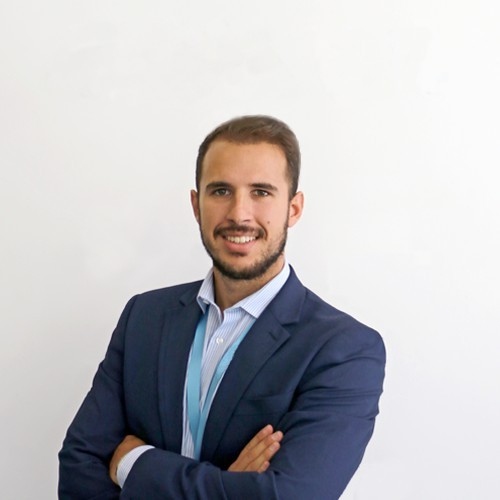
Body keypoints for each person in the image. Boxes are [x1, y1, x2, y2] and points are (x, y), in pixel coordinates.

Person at [58, 115, 386, 499]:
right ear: (196, 205)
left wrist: (133, 462)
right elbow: (78, 467)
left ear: (293, 209)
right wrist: (229, 485)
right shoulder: (143, 318)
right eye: (220, 191)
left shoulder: (344, 349)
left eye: (261, 192)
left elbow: (287, 496)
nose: (238, 214)